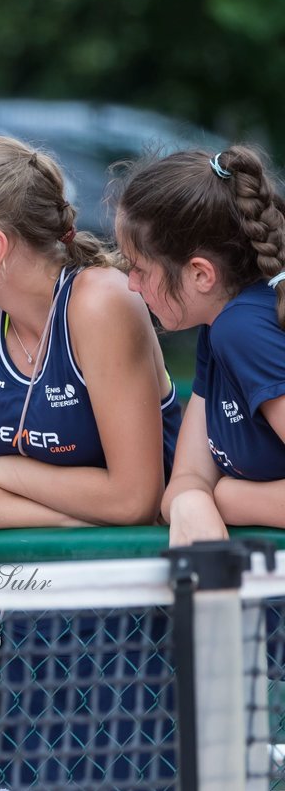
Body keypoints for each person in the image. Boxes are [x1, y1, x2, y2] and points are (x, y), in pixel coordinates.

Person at [0, 132, 179, 787]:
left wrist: (1, 472)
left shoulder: (100, 301)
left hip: (140, 634)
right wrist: (85, 511)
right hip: (31, 624)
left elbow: (133, 499)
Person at [114, 144, 285, 548]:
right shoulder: (218, 328)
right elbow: (189, 478)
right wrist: (191, 501)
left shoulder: (242, 329)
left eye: (139, 268)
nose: (131, 285)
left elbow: (214, 489)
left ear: (200, 274)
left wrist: (230, 498)